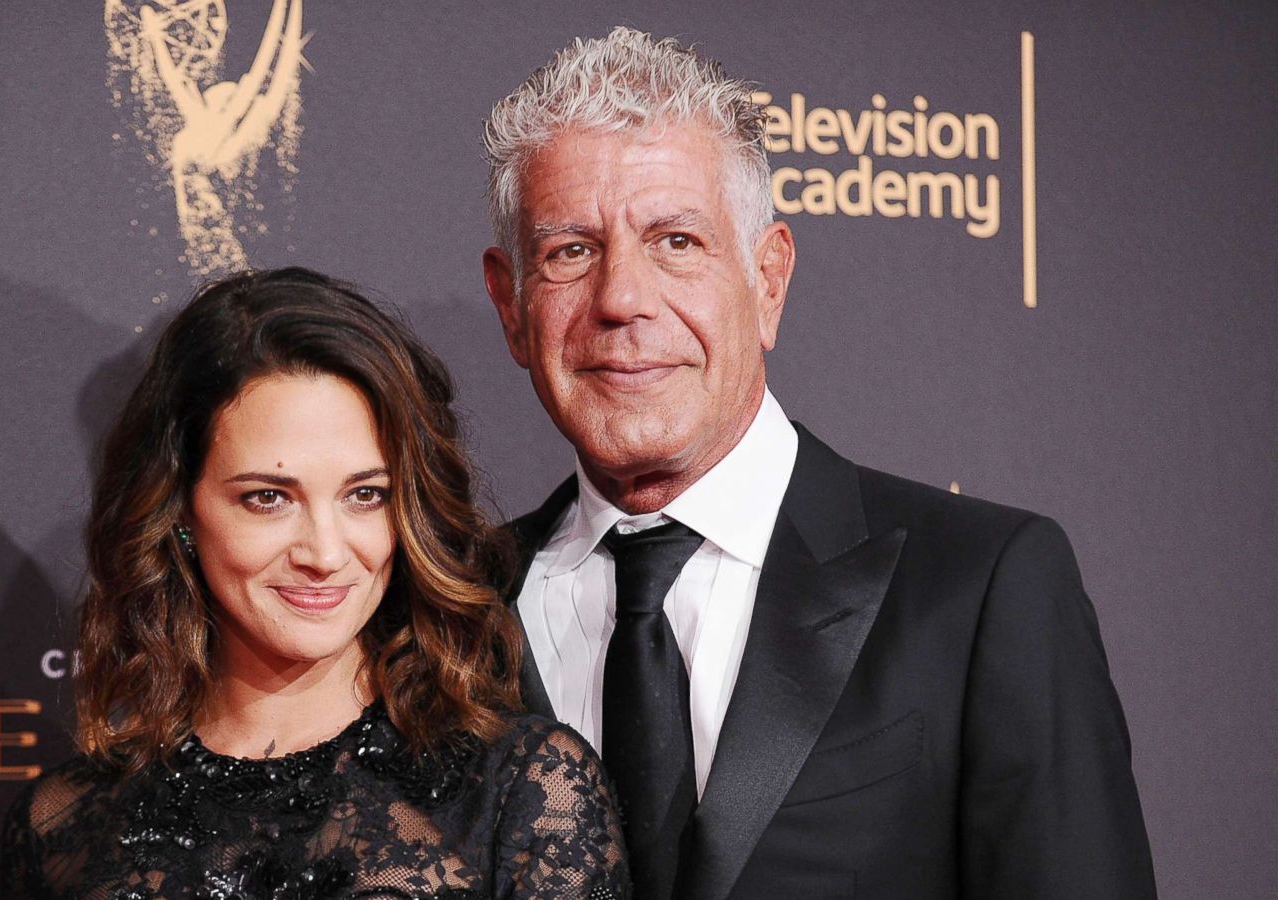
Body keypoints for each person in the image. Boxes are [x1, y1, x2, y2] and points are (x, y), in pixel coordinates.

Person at [479, 28, 1156, 900]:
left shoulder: (981, 588)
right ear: (510, 304)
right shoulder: (447, 609)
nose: (622, 299)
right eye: (571, 250)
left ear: (769, 281)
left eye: (676, 241)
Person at [0, 269, 629, 899]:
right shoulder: (62, 826)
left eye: (365, 495)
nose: (326, 554)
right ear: (181, 512)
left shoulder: (520, 789)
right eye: (269, 498)